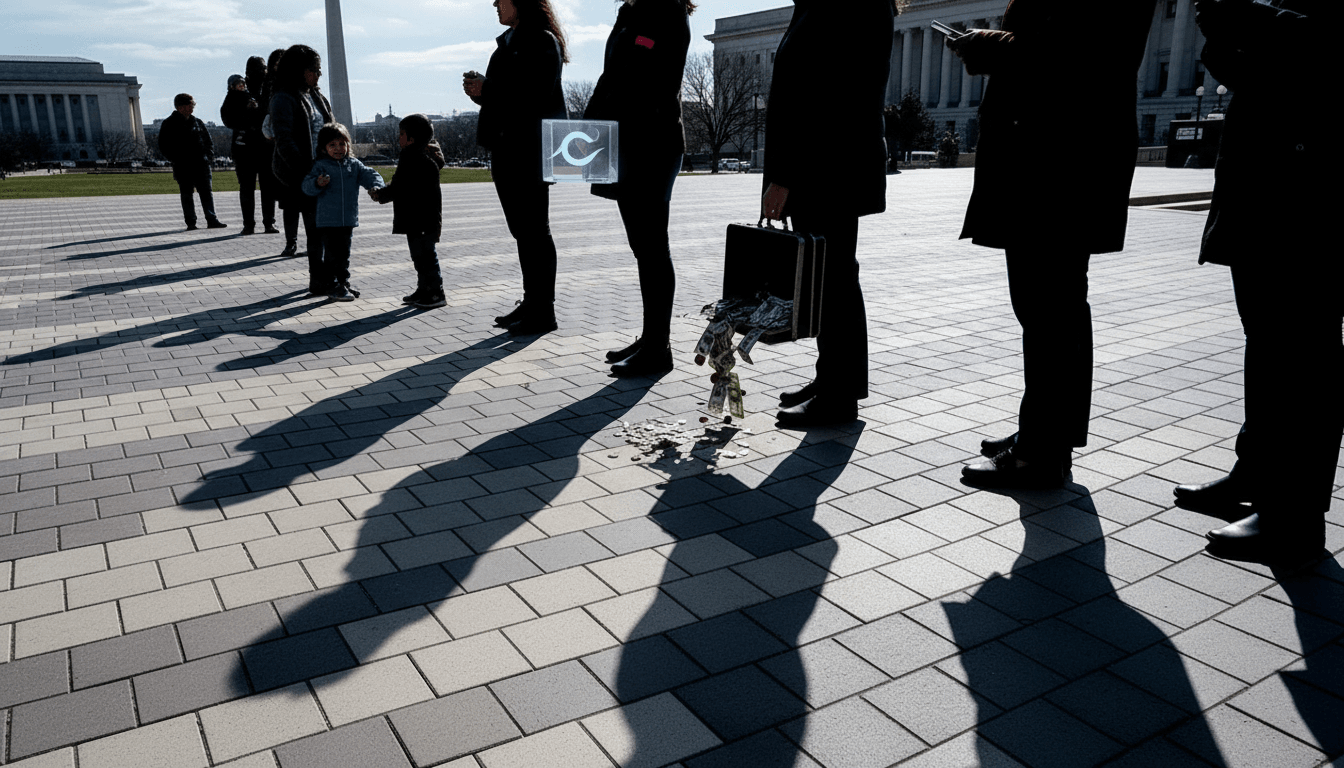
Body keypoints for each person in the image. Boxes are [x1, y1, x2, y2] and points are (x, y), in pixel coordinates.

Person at [950, 1, 1157, 487]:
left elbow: (1084, 55)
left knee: (1051, 307)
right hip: (1053, 151)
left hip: (1061, 156)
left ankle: (1042, 451)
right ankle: (1043, 435)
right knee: (1046, 307)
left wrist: (995, 47)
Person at [1172, 0, 1339, 564]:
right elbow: (1254, 72)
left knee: (1303, 350)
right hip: (1271, 171)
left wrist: (1255, 19)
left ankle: (1295, 516)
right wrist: (1222, 30)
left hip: (1314, 176)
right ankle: (1258, 478)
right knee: (1270, 342)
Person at [762, 0, 894, 427]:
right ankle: (833, 380)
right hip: (828, 162)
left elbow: (822, 93)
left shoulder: (845, 2)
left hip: (828, 164)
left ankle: (838, 395)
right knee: (832, 276)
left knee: (834, 279)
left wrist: (783, 175)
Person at [584, 0, 694, 377]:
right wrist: (586, 128)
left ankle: (658, 348)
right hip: (624, 141)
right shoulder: (630, 14)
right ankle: (650, 338)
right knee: (642, 247)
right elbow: (610, 75)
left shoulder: (669, 13)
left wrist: (614, 105)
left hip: (652, 142)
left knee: (651, 247)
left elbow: (660, 83)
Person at [463, 0, 567, 336]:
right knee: (524, 232)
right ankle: (532, 301)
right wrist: (479, 93)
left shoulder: (540, 40)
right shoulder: (508, 43)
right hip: (507, 147)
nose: (494, 3)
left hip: (530, 149)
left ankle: (543, 311)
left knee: (536, 231)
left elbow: (535, 95)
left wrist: (488, 88)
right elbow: (507, 98)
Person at [270, 44, 334, 294]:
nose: (318, 75)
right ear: (298, 70)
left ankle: (332, 277)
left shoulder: (315, 95)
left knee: (330, 230)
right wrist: (308, 172)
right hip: (304, 175)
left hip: (326, 170)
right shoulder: (283, 98)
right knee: (316, 232)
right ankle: (319, 279)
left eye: (319, 70)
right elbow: (285, 141)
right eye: (314, 70)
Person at [301, 123, 385, 301]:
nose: (338, 149)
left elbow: (370, 175)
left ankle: (342, 283)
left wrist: (376, 186)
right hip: (327, 220)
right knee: (332, 255)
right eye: (332, 145)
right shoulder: (320, 166)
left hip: (347, 219)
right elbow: (306, 186)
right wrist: (317, 183)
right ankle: (333, 285)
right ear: (324, 148)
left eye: (342, 144)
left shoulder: (353, 165)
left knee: (344, 254)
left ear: (348, 145)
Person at [373, 114, 448, 309]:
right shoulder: (424, 156)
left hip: (419, 217)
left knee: (425, 257)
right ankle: (424, 289)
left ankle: (435, 293)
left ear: (412, 138)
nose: (399, 138)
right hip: (423, 217)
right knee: (421, 256)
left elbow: (399, 186)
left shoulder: (411, 157)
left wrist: (380, 195)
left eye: (402, 134)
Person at [220, 63, 276, 235]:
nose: (242, 86)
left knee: (267, 188)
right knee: (247, 188)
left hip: (263, 147)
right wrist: (248, 113)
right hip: (245, 150)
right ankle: (249, 224)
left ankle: (268, 222)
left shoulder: (263, 91)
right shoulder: (232, 101)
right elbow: (230, 121)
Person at [158, 93, 227, 231]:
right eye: (190, 105)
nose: (192, 108)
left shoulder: (197, 122)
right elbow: (163, 145)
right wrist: (176, 159)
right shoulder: (169, 123)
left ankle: (211, 219)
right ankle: (191, 222)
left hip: (201, 164)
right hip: (183, 166)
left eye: (192, 105)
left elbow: (208, 142)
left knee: (206, 193)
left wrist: (209, 157)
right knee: (187, 194)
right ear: (180, 107)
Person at [259, 48, 298, 255]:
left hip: (298, 146)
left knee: (304, 201)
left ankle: (308, 242)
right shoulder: (273, 89)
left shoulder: (305, 88)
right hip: (282, 147)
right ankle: (290, 240)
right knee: (290, 199)